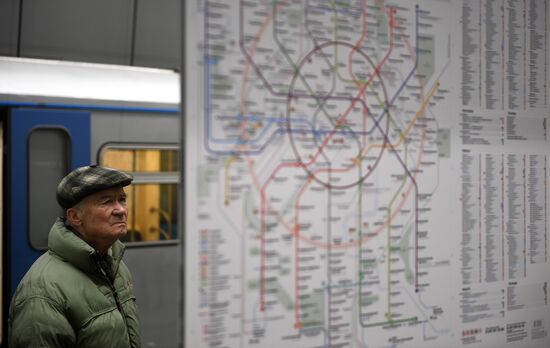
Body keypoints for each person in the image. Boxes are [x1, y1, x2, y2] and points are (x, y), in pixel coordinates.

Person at [8, 165, 141, 347]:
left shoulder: (116, 265)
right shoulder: (42, 292)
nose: (121, 210)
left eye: (122, 199)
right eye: (106, 202)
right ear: (75, 217)